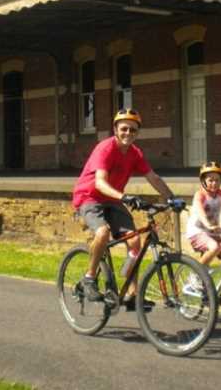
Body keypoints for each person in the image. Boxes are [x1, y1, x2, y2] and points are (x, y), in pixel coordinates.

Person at [72, 108, 175, 311]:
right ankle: (89, 278)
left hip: (113, 200)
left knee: (135, 239)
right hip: (89, 197)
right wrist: (124, 196)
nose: (128, 133)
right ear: (115, 129)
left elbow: (153, 177)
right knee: (103, 232)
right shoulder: (105, 148)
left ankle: (132, 294)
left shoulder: (135, 153)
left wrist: (172, 199)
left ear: (138, 133)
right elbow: (100, 183)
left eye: (133, 130)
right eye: (124, 129)